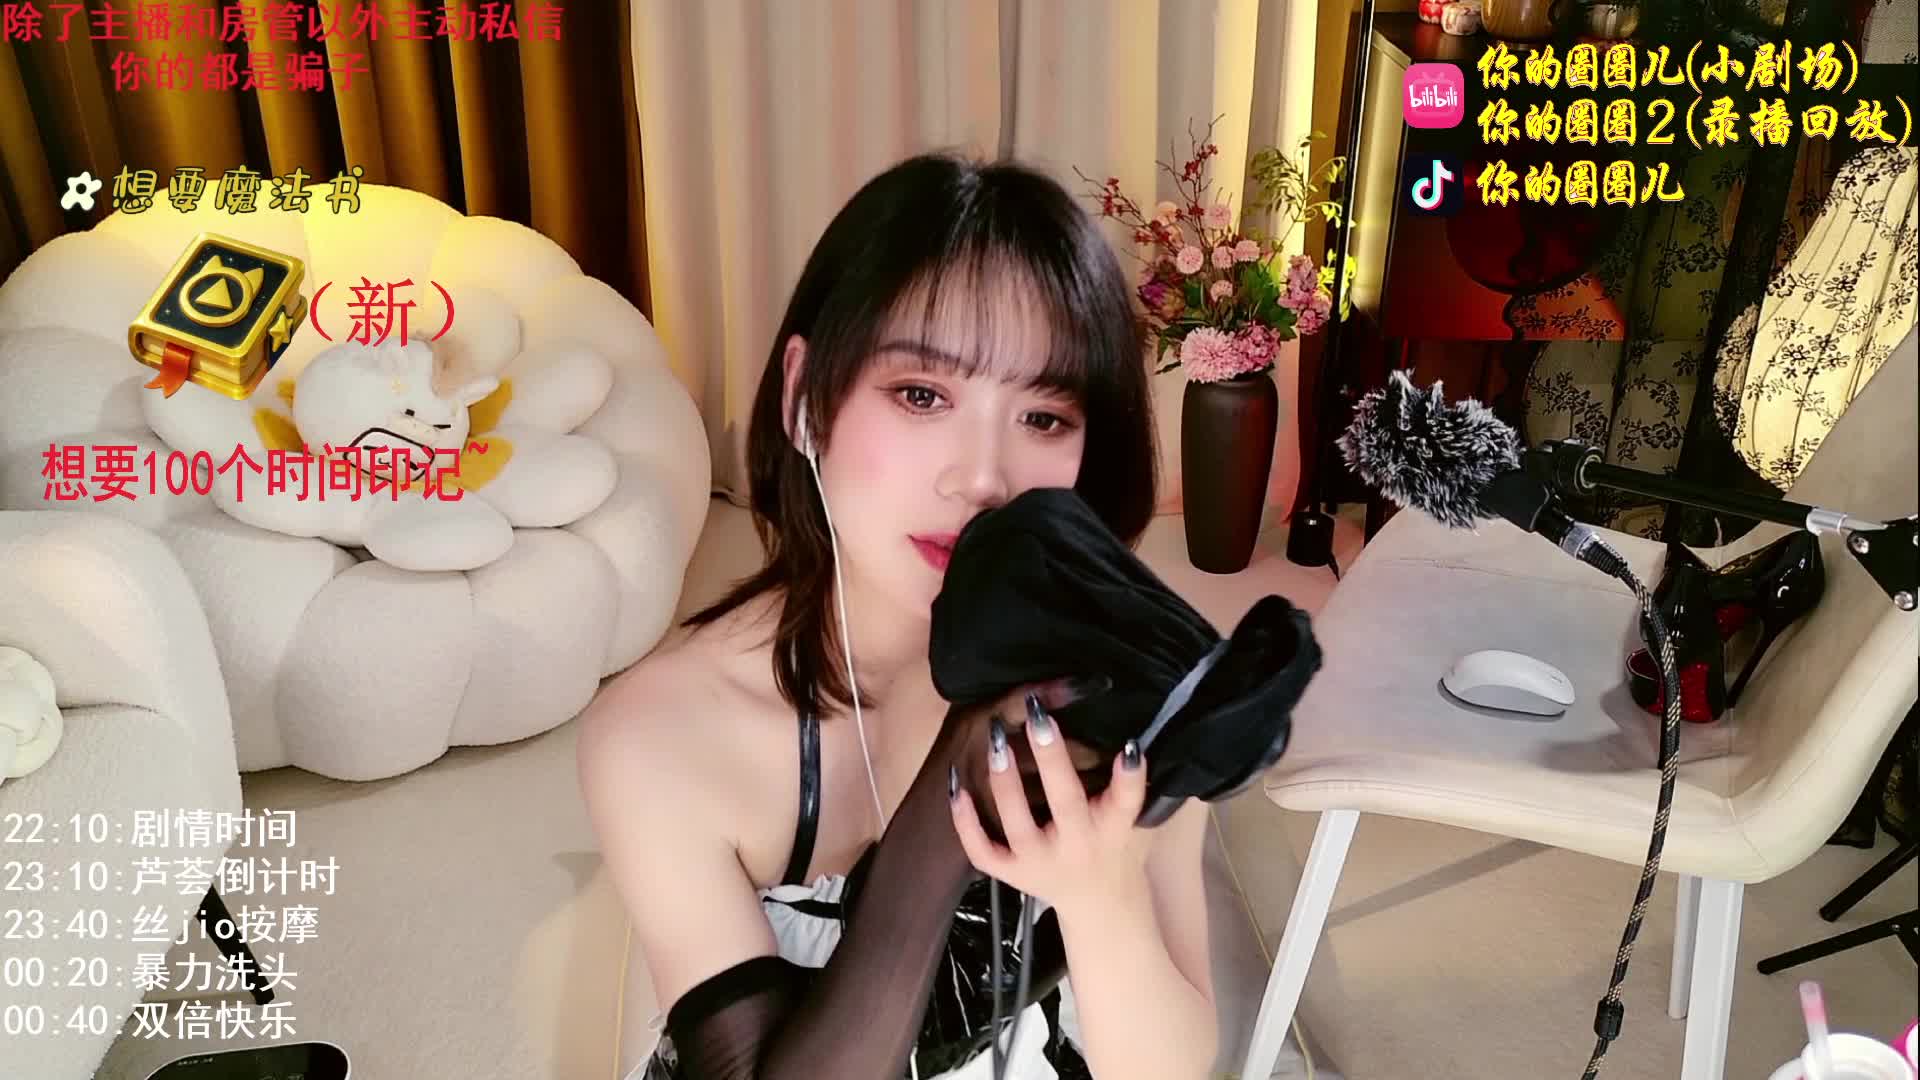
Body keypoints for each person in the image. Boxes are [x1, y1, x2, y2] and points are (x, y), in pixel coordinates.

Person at [578, 152, 1219, 1080]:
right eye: (923, 396)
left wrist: (1102, 897)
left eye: (1044, 417)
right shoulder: (663, 732)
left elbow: (1173, 1066)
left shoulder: (1118, 677)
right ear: (805, 399)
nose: (983, 479)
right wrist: (946, 808)